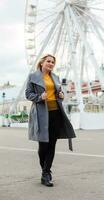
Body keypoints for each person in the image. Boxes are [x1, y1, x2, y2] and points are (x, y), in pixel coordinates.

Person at [25, 54, 76, 187]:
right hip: (42, 114)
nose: (51, 64)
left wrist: (62, 95)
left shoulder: (55, 77)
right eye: (48, 61)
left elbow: (59, 93)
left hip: (56, 113)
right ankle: (45, 170)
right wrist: (39, 97)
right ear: (42, 63)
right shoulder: (32, 77)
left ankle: (46, 173)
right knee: (43, 146)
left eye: (53, 62)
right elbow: (28, 94)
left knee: (52, 144)